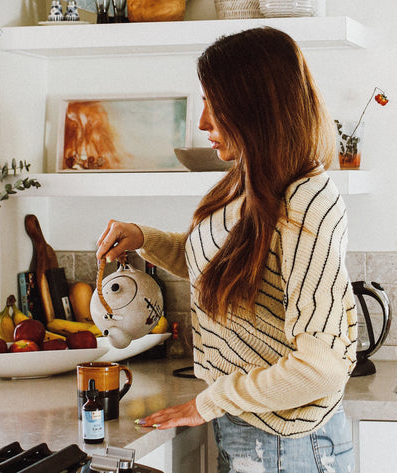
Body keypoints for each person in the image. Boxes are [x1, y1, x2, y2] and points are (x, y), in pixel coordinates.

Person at [95, 27, 357, 473]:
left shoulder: (308, 200)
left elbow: (323, 368)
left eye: (213, 103)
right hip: (251, 431)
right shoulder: (247, 180)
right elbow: (222, 266)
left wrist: (210, 400)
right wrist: (146, 238)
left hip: (288, 446)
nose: (203, 122)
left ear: (254, 106)